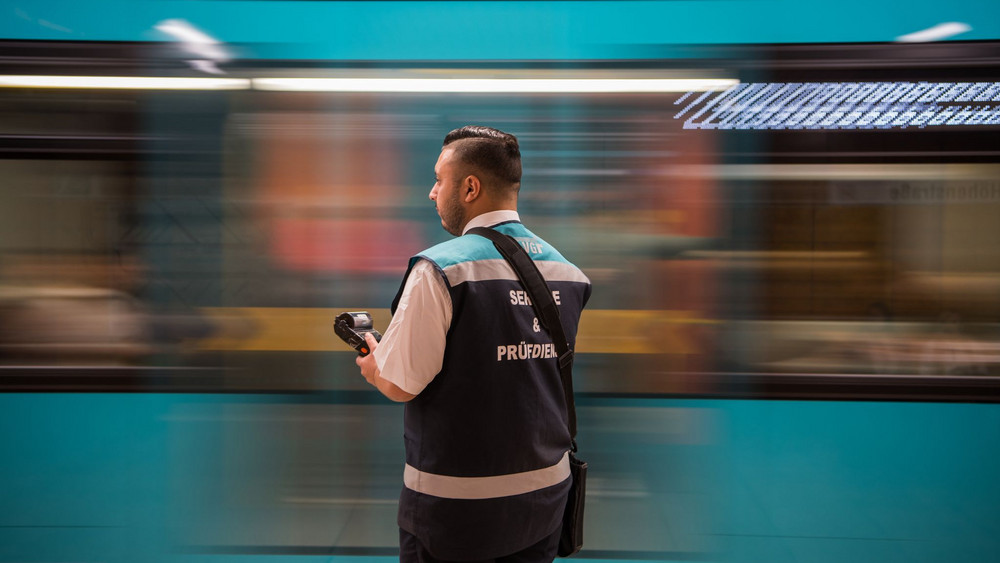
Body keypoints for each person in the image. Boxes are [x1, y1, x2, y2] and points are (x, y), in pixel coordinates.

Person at [355, 125, 591, 562]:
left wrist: (374, 366)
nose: (431, 192)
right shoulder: (568, 273)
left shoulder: (441, 269)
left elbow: (401, 383)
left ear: (469, 187)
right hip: (545, 499)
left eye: (438, 179)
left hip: (457, 511)